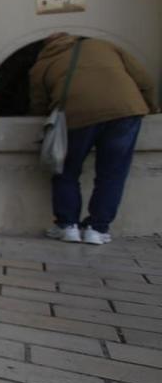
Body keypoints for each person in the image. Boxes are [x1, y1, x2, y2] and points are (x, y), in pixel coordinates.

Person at [30, 33, 158, 245]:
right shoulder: (104, 45)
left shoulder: (41, 64)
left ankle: (67, 226)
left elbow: (38, 104)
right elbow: (144, 79)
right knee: (112, 174)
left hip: (76, 115)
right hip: (124, 112)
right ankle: (97, 229)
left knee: (66, 171)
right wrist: (152, 107)